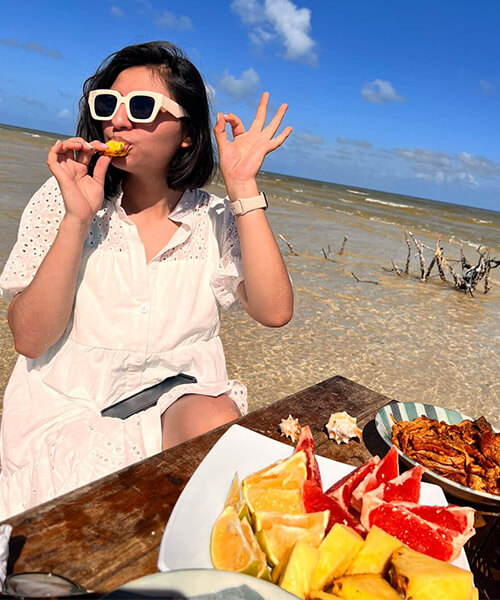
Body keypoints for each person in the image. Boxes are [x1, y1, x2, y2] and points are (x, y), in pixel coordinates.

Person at [0, 41, 293, 518]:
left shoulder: (214, 220)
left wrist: (242, 187)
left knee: (216, 418)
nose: (117, 120)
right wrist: (77, 218)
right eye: (106, 103)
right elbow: (31, 339)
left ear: (186, 134)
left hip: (175, 403)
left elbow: (275, 311)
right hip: (71, 406)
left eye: (140, 106)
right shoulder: (63, 199)